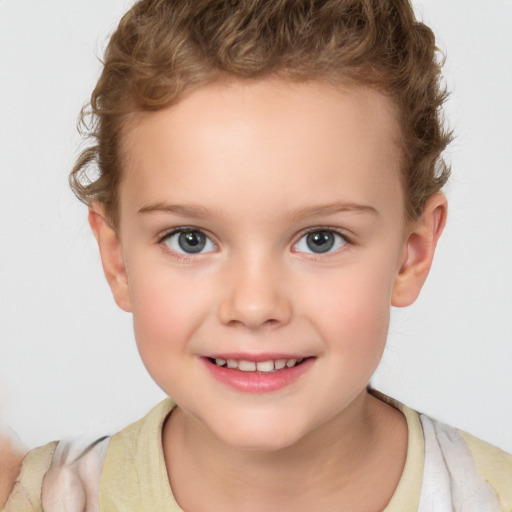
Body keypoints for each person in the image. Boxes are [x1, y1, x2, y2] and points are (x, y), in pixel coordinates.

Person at [3, 0, 511, 510]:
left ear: (411, 254)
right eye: (190, 239)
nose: (253, 305)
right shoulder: (41, 499)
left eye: (320, 239)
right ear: (117, 259)